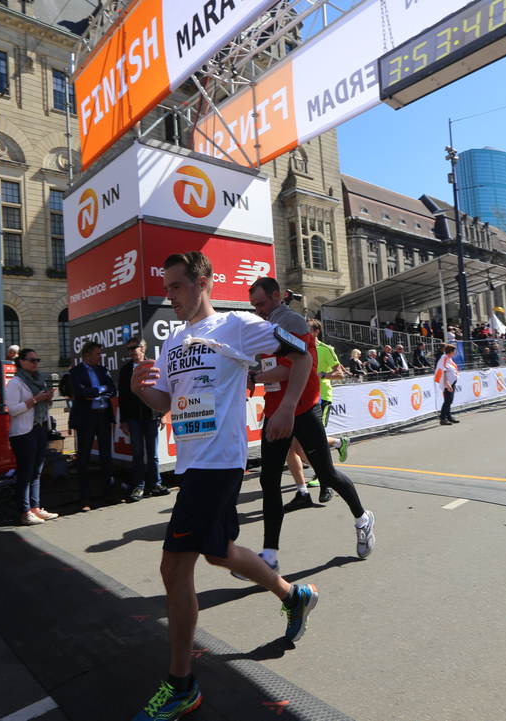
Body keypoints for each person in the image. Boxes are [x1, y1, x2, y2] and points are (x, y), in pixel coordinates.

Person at [129, 252, 318, 721]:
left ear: (204, 282)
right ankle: (293, 596)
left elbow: (302, 353)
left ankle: (181, 685)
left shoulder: (236, 325)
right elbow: (166, 402)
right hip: (192, 464)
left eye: (176, 286)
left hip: (220, 461)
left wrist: (287, 407)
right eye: (166, 288)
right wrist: (139, 390)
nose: (169, 295)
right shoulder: (174, 341)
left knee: (174, 569)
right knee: (218, 552)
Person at [246, 276, 375, 575]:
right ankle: (269, 555)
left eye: (261, 304)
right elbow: (270, 367)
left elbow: (292, 367)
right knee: (268, 480)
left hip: (302, 410)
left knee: (327, 475)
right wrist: (253, 374)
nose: (258, 310)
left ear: (276, 297)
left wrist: (257, 377)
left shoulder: (292, 322)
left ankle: (363, 519)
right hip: (275, 411)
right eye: (254, 306)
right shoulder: (267, 324)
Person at [284, 319, 349, 510]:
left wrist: (320, 375)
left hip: (320, 399)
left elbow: (340, 374)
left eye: (308, 329)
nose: (303, 331)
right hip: (299, 399)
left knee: (311, 443)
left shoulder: (326, 349)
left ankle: (326, 479)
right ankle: (304, 490)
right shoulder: (296, 347)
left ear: (316, 332)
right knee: (293, 447)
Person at [6, 348, 57, 525]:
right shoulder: (15, 382)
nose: (36, 363)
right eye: (32, 360)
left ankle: (35, 508)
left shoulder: (39, 380)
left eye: (37, 360)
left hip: (39, 427)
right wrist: (35, 399)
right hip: (23, 432)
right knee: (25, 472)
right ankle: (25, 511)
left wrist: (47, 399)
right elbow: (13, 410)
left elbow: (44, 404)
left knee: (36, 472)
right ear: (21, 362)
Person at [118, 337, 169, 502]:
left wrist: (162, 414)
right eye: (128, 349)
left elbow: (161, 390)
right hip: (133, 418)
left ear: (142, 348)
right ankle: (139, 486)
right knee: (138, 453)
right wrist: (123, 420)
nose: (131, 351)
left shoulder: (153, 366)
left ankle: (156, 484)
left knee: (153, 454)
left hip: (151, 416)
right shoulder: (125, 370)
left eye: (133, 348)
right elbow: (123, 397)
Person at [68, 341, 118, 510]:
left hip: (103, 417)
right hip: (86, 419)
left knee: (106, 457)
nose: (100, 357)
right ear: (87, 355)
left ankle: (109, 493)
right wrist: (102, 389)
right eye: (97, 354)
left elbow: (113, 390)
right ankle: (85, 498)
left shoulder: (103, 370)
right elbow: (81, 393)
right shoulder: (75, 372)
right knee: (83, 459)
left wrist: (94, 393)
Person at [434, 344, 459, 425]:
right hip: (447, 384)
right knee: (447, 401)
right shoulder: (444, 358)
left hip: (452, 383)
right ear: (450, 351)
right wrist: (448, 384)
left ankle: (449, 416)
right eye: (454, 351)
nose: (455, 352)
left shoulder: (449, 359)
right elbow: (443, 372)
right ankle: (442, 418)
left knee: (449, 401)